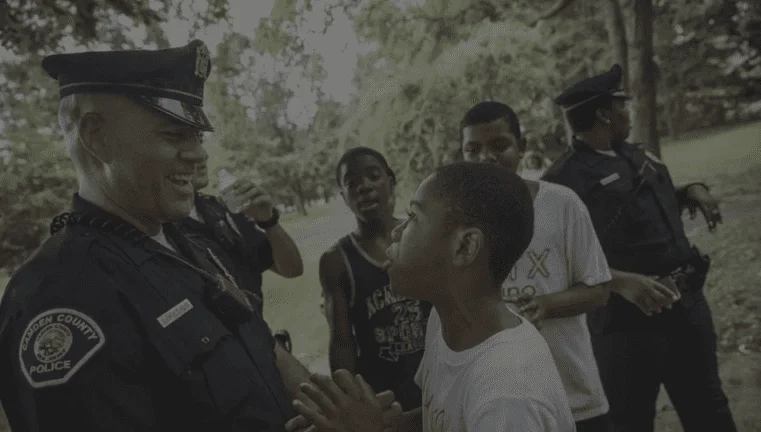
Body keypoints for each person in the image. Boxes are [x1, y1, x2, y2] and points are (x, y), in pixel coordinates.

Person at [0, 40, 315, 431]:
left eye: (197, 137)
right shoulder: (61, 293)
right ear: (97, 138)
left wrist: (331, 410)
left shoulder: (189, 244)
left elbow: (260, 346)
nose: (199, 156)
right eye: (174, 136)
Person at [290, 162, 575, 431]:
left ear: (465, 247)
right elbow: (438, 417)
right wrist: (385, 423)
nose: (397, 231)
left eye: (413, 217)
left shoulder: (508, 396)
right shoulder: (445, 322)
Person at [542, 64, 737, 432]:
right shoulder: (562, 182)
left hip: (686, 308)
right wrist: (616, 281)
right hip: (627, 327)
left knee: (709, 410)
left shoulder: (635, 155)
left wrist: (691, 189)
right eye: (622, 106)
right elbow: (557, 258)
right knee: (630, 422)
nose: (628, 113)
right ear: (604, 113)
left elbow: (644, 207)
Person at [459, 101, 613, 431]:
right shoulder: (457, 223)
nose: (485, 158)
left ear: (522, 146)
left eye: (499, 145)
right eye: (472, 149)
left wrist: (545, 305)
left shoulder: (561, 204)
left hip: (574, 394)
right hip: (504, 402)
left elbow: (599, 290)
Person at [318, 147, 431, 412]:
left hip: (437, 378)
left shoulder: (421, 234)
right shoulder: (336, 260)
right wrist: (348, 400)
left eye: (373, 176)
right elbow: (342, 341)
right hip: (385, 396)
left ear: (390, 181)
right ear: (343, 196)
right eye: (352, 183)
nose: (364, 187)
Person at [178, 162, 304, 351]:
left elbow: (292, 269)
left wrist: (268, 221)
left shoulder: (220, 209)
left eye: (199, 139)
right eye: (181, 139)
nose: (201, 154)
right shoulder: (159, 229)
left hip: (262, 346)